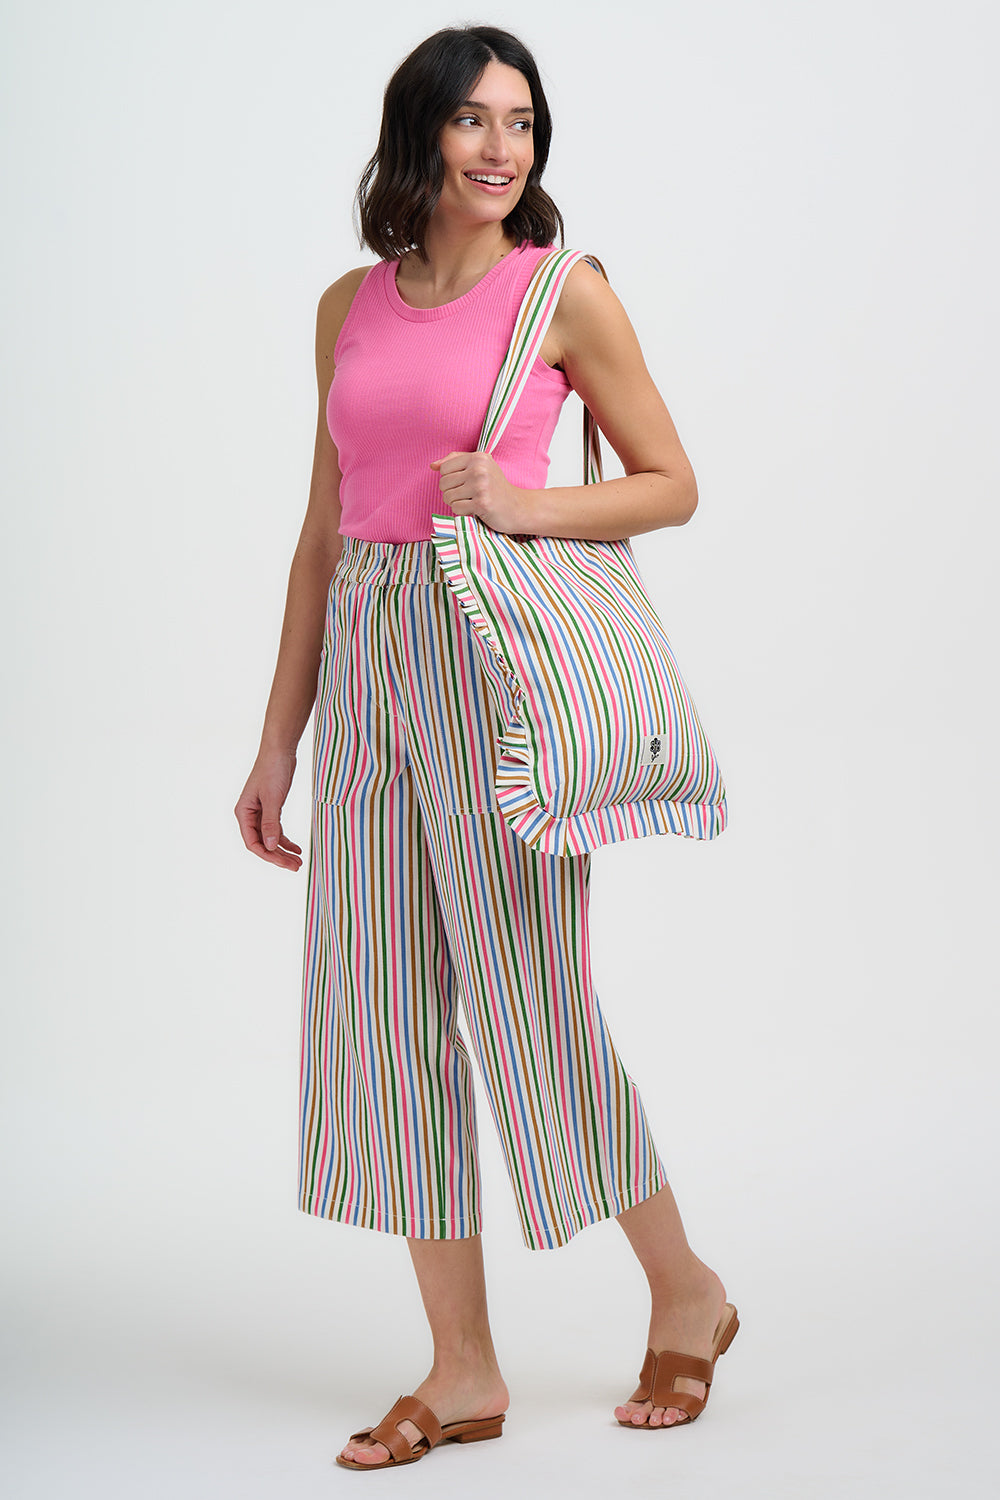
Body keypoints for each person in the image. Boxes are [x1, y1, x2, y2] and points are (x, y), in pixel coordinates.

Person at [235, 23, 737, 1471]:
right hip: (370, 666)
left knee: (530, 1007)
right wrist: (280, 742)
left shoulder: (560, 293)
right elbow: (324, 531)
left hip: (488, 660)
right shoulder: (349, 303)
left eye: (522, 121)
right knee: (380, 1013)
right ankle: (461, 1370)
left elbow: (671, 483)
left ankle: (688, 1293)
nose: (501, 146)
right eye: (471, 121)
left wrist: (523, 507)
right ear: (420, 138)